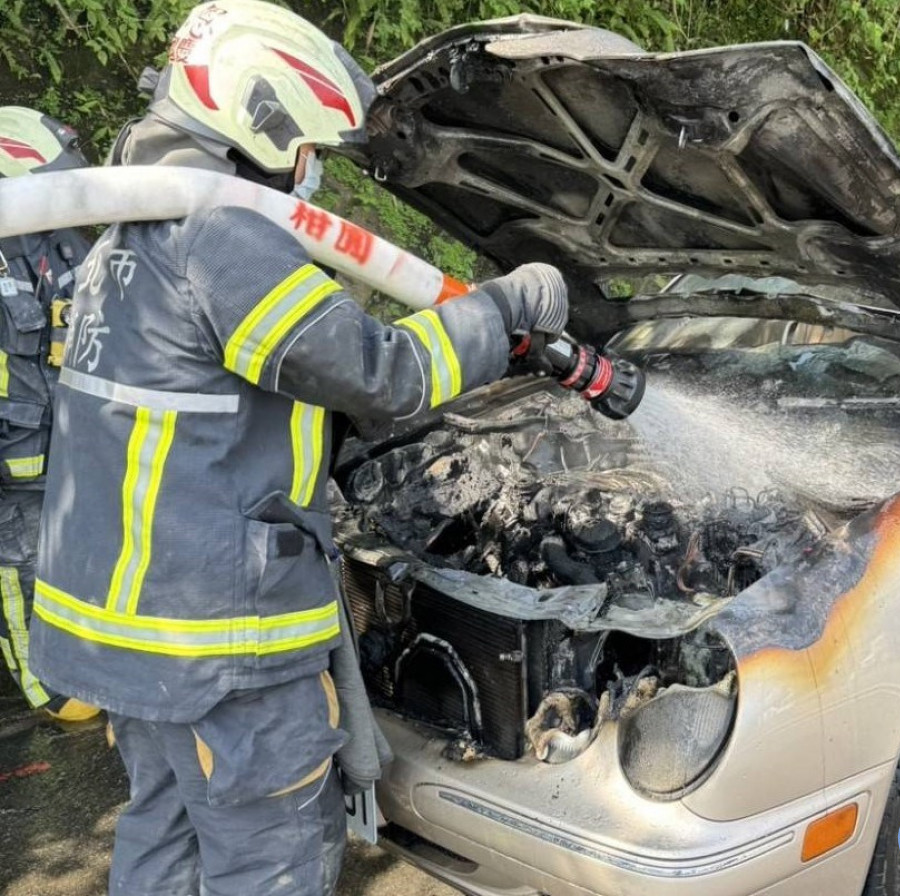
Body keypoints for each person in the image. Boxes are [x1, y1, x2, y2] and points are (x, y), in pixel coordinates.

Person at [27, 2, 569, 894]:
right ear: (262, 117)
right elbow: (381, 372)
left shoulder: (122, 244)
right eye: (310, 148)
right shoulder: (218, 238)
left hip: (130, 641)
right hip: (217, 653)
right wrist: (505, 307)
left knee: (166, 836)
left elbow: (225, 404)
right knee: (268, 859)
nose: (311, 170)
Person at [0, 106, 99, 722]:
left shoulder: (68, 244)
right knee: (22, 571)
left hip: (79, 451)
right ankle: (47, 688)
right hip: (15, 475)